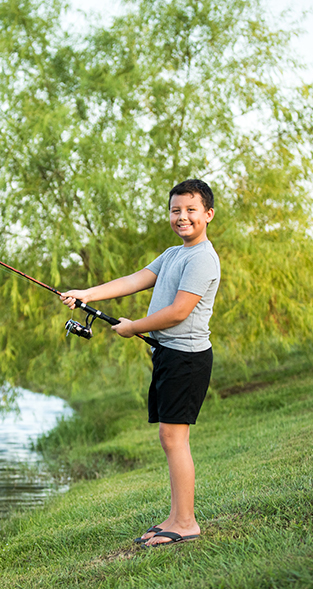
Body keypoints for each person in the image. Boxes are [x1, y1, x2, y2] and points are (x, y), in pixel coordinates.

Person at [61, 179, 220, 547]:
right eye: (175, 210)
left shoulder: (203, 258)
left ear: (208, 214)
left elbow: (179, 312)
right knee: (170, 437)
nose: (182, 217)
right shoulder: (173, 254)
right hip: (169, 356)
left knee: (174, 437)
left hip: (187, 359)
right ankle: (176, 516)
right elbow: (135, 280)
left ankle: (186, 523)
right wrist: (87, 293)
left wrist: (133, 327)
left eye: (191, 210)